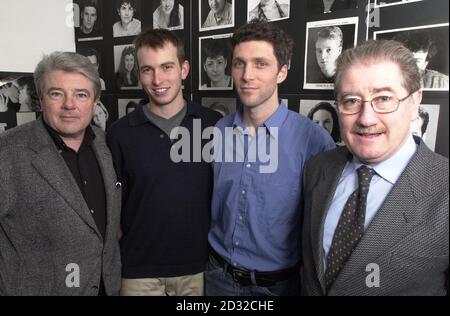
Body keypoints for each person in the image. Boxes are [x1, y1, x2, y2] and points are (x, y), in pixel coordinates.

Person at [302, 40, 449, 296]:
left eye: (383, 98)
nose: (366, 118)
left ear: (415, 102)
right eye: (351, 101)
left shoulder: (443, 187)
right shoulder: (317, 169)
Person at [206, 20, 335, 296]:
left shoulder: (314, 141)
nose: (246, 75)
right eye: (239, 63)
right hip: (217, 278)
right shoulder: (218, 131)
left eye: (260, 64)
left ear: (282, 72)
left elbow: (323, 229)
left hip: (278, 287)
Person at [107, 29, 222, 296]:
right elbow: (111, 206)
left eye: (166, 67)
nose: (157, 79)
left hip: (198, 271)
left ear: (184, 69)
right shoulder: (119, 133)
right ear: (139, 75)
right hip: (137, 273)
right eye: (148, 69)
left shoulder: (213, 126)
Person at [0, 52, 122, 296]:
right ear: (40, 99)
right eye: (57, 93)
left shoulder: (105, 144)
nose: (69, 104)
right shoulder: (8, 152)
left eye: (81, 94)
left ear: (95, 101)